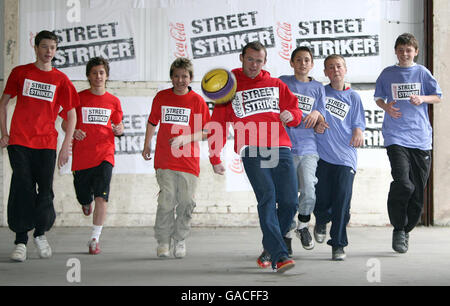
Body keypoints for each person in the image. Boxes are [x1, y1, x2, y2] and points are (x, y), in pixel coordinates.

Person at [208, 41, 302, 273]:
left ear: (265, 62)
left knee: (290, 202)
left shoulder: (276, 84)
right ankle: (280, 256)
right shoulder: (228, 87)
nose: (254, 64)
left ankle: (270, 247)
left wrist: (293, 115)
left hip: (280, 147)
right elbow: (218, 123)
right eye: (250, 59)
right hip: (251, 148)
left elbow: (296, 109)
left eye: (258, 60)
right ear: (242, 58)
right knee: (268, 196)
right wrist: (214, 156)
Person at [0, 30, 78, 262]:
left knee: (45, 191)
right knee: (23, 186)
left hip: (46, 144)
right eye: (44, 47)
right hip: (20, 142)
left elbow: (71, 116)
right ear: (35, 48)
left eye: (52, 48)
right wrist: (4, 133)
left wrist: (66, 146)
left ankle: (40, 234)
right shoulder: (20, 73)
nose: (48, 52)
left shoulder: (61, 80)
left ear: (56, 51)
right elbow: (3, 103)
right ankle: (21, 241)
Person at [374, 33, 442, 254]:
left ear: (416, 52)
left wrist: (422, 98)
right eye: (401, 50)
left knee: (417, 191)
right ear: (396, 51)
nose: (405, 54)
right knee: (403, 183)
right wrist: (386, 107)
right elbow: (378, 97)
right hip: (396, 136)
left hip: (421, 138)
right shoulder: (388, 74)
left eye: (409, 50)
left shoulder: (422, 73)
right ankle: (398, 228)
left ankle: (406, 229)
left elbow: (438, 96)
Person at [142, 57, 210, 259]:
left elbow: (207, 131)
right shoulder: (161, 97)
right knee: (166, 201)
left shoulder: (197, 101)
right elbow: (152, 122)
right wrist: (147, 144)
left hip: (188, 161)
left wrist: (186, 138)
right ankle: (163, 241)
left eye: (185, 76)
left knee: (186, 202)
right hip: (165, 159)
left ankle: (179, 239)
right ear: (171, 77)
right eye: (177, 76)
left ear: (190, 78)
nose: (180, 80)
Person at [60, 57, 124, 255]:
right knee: (84, 195)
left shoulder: (114, 101)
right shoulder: (78, 98)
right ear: (88, 75)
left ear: (107, 75)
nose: (98, 76)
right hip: (82, 157)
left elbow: (119, 126)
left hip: (105, 154)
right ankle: (84, 202)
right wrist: (74, 131)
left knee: (101, 198)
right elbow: (65, 123)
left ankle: (95, 238)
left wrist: (119, 129)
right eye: (95, 72)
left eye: (102, 73)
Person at [313, 54, 365, 261]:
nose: (335, 70)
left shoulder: (354, 97)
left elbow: (359, 123)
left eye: (339, 66)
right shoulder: (320, 93)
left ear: (345, 69)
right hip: (322, 156)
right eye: (330, 67)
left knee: (342, 201)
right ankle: (321, 219)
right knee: (321, 198)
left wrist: (359, 131)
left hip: (345, 158)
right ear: (325, 72)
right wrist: (316, 123)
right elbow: (312, 116)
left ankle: (338, 244)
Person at [279, 46, 326, 252]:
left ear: (312, 64)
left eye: (307, 60)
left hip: (308, 146)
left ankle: (303, 225)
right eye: (298, 60)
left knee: (309, 189)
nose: (303, 63)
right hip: (285, 146)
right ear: (292, 63)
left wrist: (317, 113)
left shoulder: (318, 87)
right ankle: (287, 232)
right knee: (287, 194)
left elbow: (322, 116)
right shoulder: (282, 82)